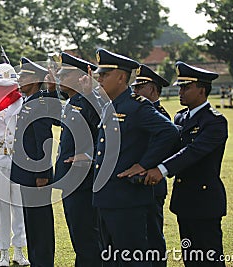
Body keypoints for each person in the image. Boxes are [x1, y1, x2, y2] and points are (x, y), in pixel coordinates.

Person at [93, 48, 179, 266]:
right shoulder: (109, 105)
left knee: (132, 259)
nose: (99, 78)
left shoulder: (136, 106)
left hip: (127, 199)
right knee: (111, 258)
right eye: (99, 74)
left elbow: (169, 132)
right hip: (107, 196)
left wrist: (144, 164)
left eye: (104, 74)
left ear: (121, 77)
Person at [145, 61, 228, 267]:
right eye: (180, 86)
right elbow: (169, 148)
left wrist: (161, 170)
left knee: (209, 258)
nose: (180, 91)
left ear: (202, 90)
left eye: (186, 87)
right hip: (184, 200)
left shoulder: (215, 121)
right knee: (191, 258)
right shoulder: (181, 117)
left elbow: (192, 152)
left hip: (205, 200)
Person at [53, 52, 102, 266]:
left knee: (87, 237)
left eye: (65, 74)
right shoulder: (72, 102)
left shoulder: (87, 101)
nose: (60, 77)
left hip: (84, 180)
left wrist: (90, 157)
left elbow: (105, 129)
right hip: (71, 180)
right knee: (78, 235)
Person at [10, 57, 60, 267]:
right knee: (32, 221)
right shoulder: (31, 101)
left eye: (23, 76)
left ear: (35, 79)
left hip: (35, 175)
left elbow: (44, 141)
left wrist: (42, 174)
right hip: (27, 173)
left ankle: (43, 262)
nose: (19, 79)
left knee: (39, 223)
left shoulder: (38, 103)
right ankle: (38, 260)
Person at [0, 63, 29, 266]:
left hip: (18, 160)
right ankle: (4, 251)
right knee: (0, 208)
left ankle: (19, 251)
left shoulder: (23, 102)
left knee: (19, 207)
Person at [131, 64, 171, 267]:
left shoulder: (160, 114)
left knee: (153, 236)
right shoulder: (140, 110)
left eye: (140, 87)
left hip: (151, 184)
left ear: (153, 89)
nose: (135, 91)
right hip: (137, 183)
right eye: (135, 87)